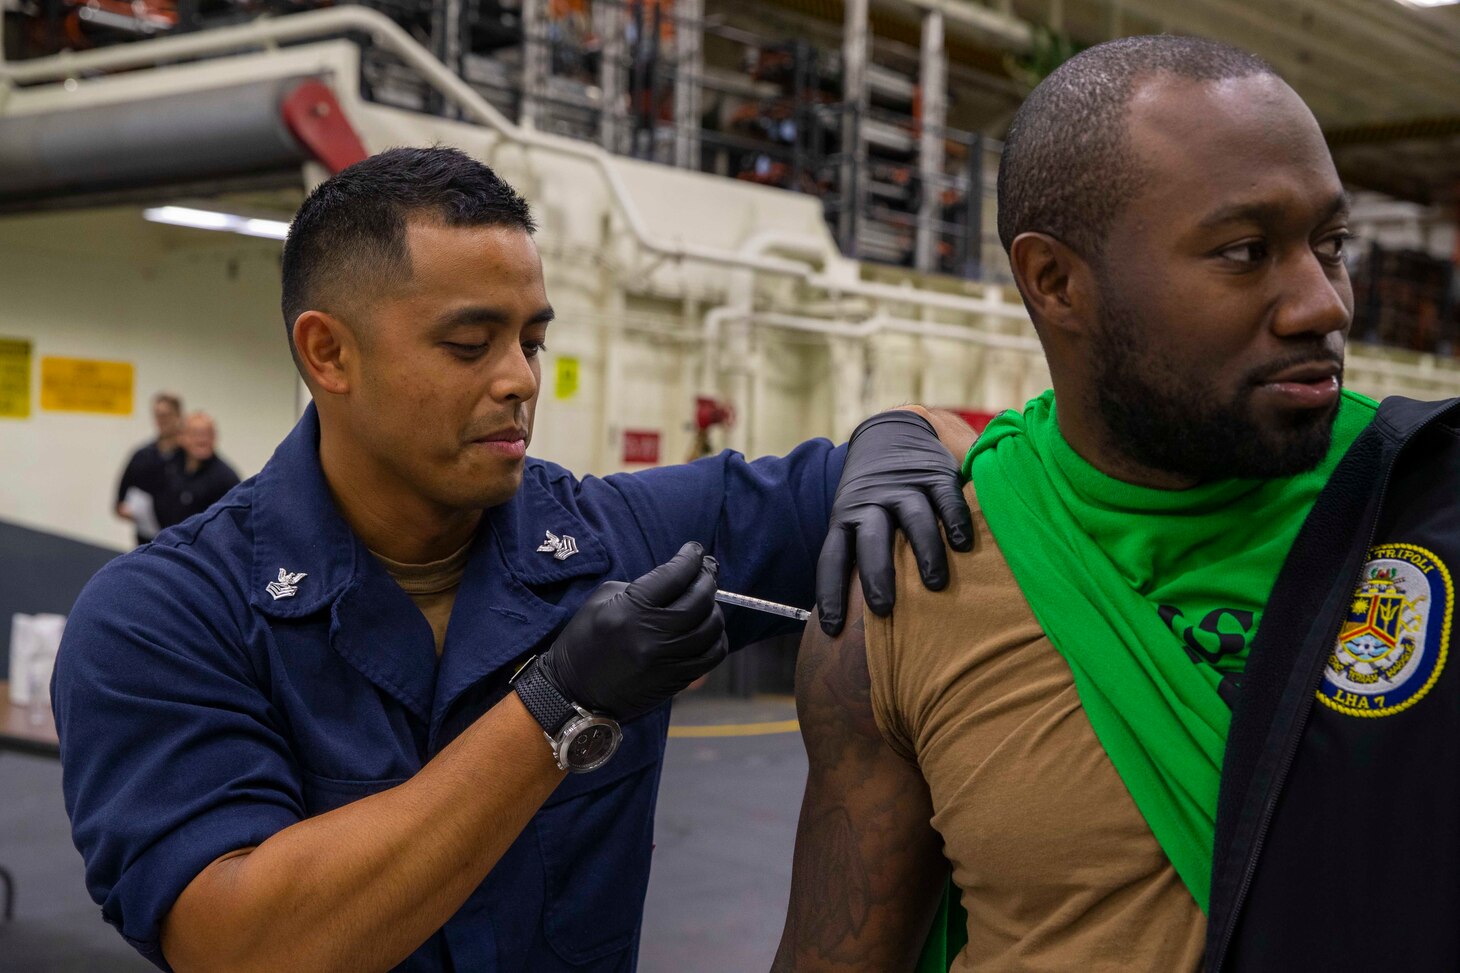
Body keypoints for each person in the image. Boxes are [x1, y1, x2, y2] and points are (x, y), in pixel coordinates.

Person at [53, 146, 973, 973]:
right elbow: (242, 944)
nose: (521, 379)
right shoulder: (165, 615)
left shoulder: (615, 539)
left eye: (532, 340)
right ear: (328, 353)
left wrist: (901, 436)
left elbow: (940, 445)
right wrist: (557, 706)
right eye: (469, 344)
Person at [777, 35, 1460, 973]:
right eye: (1244, 251)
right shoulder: (911, 589)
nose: (1323, 304)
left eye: (1331, 245)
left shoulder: (1430, 506)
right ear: (1054, 281)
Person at [114, 391, 183, 544]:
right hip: (147, 540)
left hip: (180, 541)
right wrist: (126, 510)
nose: (161, 420)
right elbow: (120, 501)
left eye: (167, 415)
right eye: (158, 415)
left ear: (178, 416)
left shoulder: (190, 458)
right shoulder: (142, 455)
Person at [153, 411, 242, 531]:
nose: (202, 439)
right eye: (196, 434)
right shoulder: (170, 466)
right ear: (181, 437)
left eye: (208, 434)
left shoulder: (226, 478)